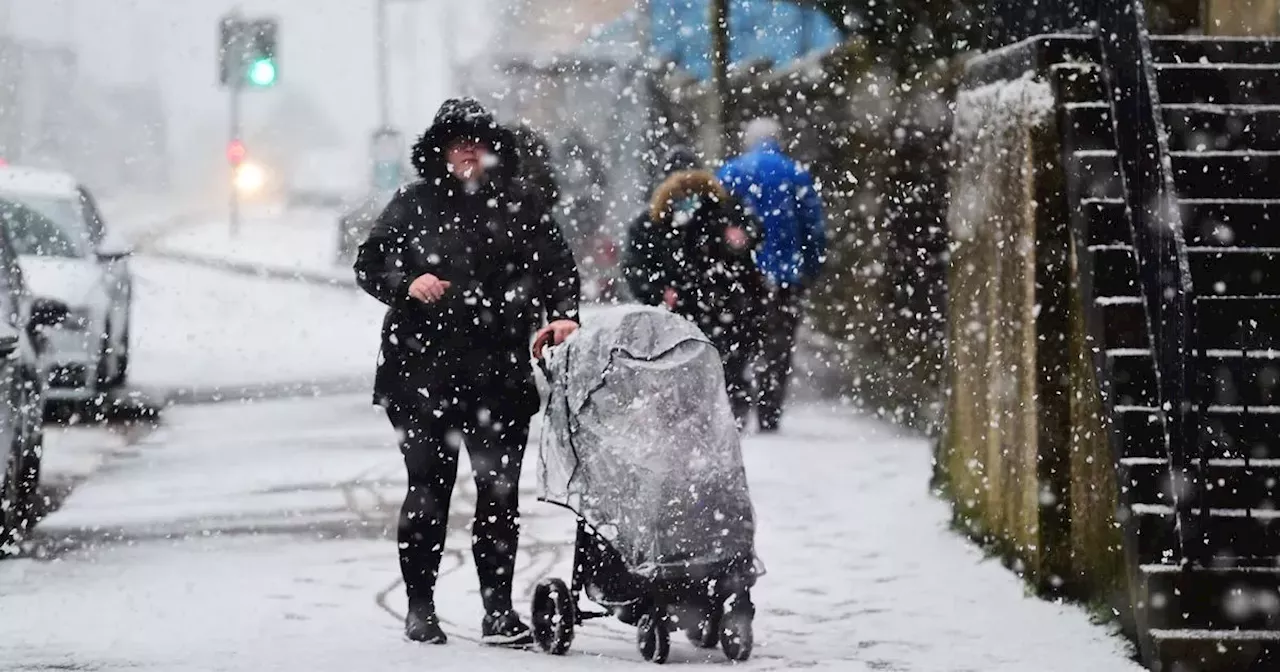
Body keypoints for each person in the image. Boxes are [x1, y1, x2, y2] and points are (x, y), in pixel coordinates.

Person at [354, 98, 581, 646]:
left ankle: (498, 611)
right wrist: (406, 284)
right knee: (427, 490)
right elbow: (370, 262)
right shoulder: (412, 204)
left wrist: (565, 317)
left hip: (499, 371)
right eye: (456, 142)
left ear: (492, 149)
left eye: (476, 141)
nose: (466, 151)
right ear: (438, 150)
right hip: (420, 373)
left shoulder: (521, 205)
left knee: (499, 495)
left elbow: (558, 267)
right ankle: (420, 607)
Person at [718, 118, 826, 433]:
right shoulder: (795, 174)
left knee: (737, 342)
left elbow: (712, 222)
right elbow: (813, 228)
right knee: (777, 348)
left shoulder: (730, 172)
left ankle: (736, 407)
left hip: (740, 277)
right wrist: (810, 268)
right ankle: (769, 412)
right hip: (785, 278)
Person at [644, 165, 765, 424]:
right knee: (730, 361)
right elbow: (752, 237)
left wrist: (662, 290)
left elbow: (652, 259)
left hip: (694, 301)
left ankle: (705, 414)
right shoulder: (725, 209)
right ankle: (731, 412)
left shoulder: (665, 214)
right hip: (727, 298)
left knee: (696, 361)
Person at [621, 145, 700, 306]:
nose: (685, 195)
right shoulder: (646, 224)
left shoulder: (711, 216)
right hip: (672, 308)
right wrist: (659, 293)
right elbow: (635, 269)